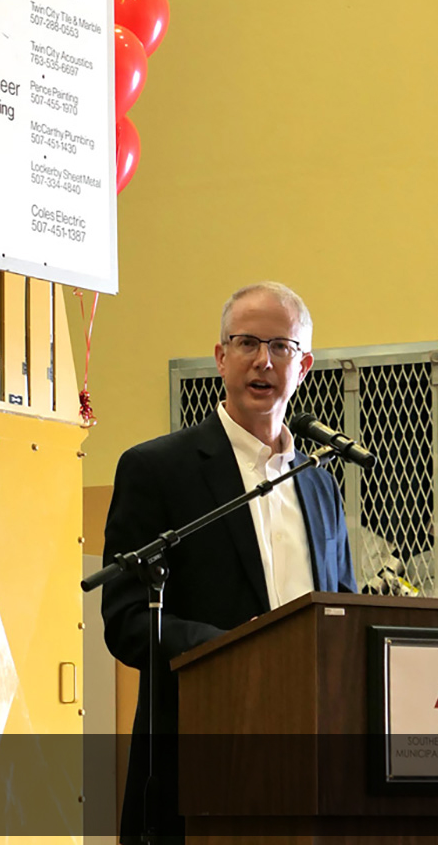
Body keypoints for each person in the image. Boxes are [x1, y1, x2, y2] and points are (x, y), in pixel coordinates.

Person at [101, 281, 357, 842]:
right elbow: (125, 620)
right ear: (220, 357)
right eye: (246, 343)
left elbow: (344, 615)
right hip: (204, 752)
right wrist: (233, 652)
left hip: (311, 757)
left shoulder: (319, 484)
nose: (262, 361)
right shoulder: (157, 469)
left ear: (304, 365)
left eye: (281, 346)